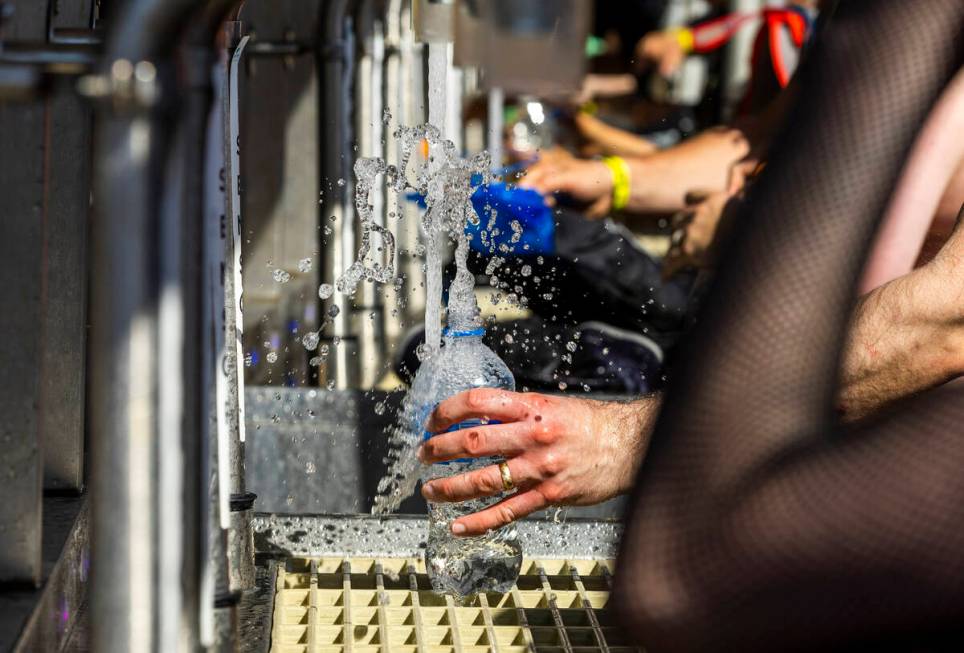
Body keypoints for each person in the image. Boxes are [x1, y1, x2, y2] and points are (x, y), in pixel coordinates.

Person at [422, 0, 964, 648]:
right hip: (853, 447)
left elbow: (943, 321)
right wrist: (612, 177)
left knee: (681, 570)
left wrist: (626, 438)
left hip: (921, 481)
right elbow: (753, 145)